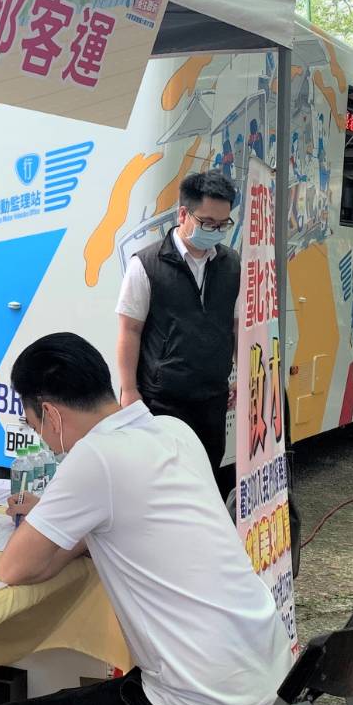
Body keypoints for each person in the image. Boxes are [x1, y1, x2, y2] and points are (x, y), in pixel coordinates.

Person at [0, 333, 287, 705]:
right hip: (265, 678)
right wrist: (67, 527)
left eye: (33, 425)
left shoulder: (94, 458)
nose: (43, 439)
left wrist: (49, 521)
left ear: (51, 414)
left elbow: (15, 567)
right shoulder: (172, 430)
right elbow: (123, 523)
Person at [116, 169, 240, 500]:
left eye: (223, 224)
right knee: (159, 483)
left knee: (205, 479)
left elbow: (237, 326)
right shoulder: (147, 264)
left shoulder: (231, 265)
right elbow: (129, 329)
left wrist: (242, 376)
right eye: (207, 223)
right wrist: (129, 390)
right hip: (161, 399)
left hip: (212, 399)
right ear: (183, 214)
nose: (215, 231)